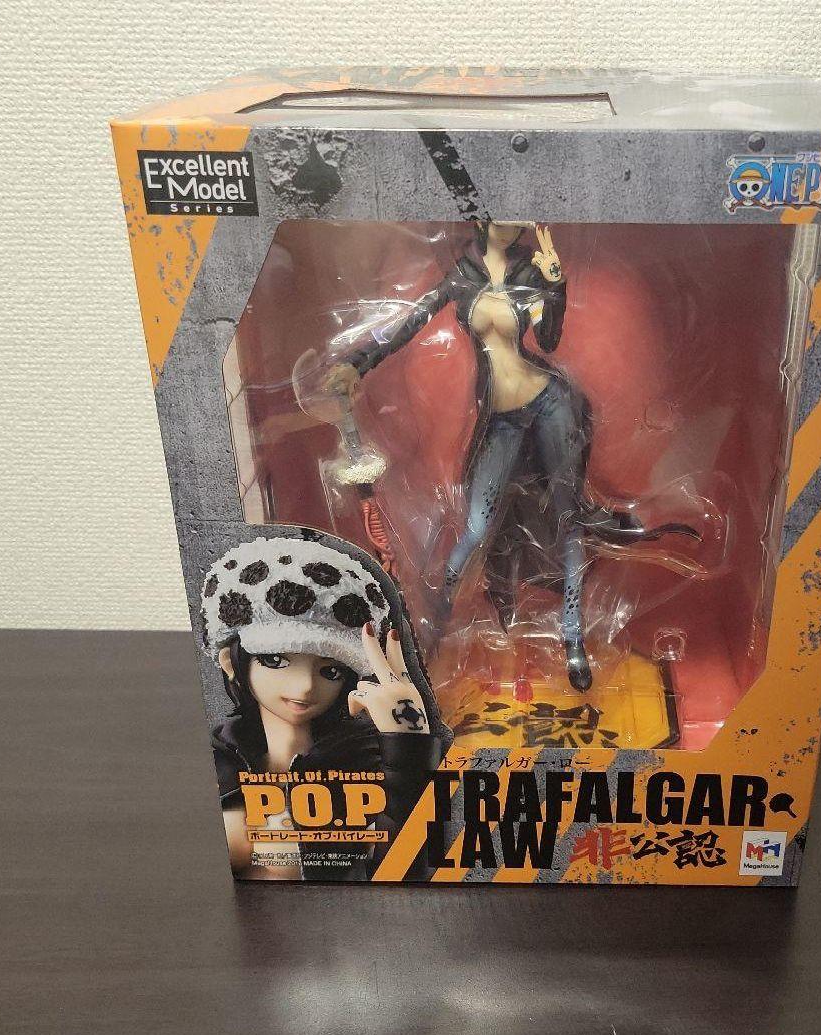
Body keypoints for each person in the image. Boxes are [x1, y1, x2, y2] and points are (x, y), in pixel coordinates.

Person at [329, 222, 697, 691]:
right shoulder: (463, 275)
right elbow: (409, 322)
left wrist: (556, 284)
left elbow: (548, 341)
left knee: (567, 520)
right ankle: (433, 626)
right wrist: (356, 364)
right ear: (482, 217)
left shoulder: (530, 271)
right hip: (501, 419)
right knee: (476, 526)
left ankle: (573, 637)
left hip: (552, 405)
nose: (517, 220)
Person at [200, 536, 447, 880]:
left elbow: (408, 869)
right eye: (275, 660)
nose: (305, 686)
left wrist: (409, 746)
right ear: (230, 661)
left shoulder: (363, 761)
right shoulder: (221, 755)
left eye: (331, 671)